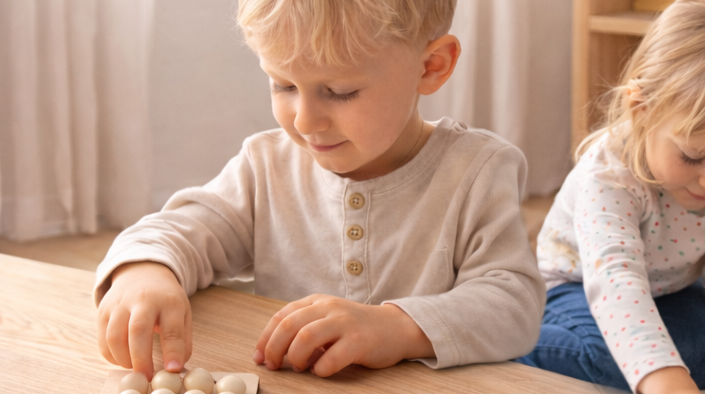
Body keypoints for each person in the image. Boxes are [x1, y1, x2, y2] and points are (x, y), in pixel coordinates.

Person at [94, 0, 545, 380]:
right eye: (283, 84)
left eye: (340, 91)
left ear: (431, 66)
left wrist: (395, 327)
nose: (305, 121)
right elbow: (177, 231)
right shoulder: (265, 165)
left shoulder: (479, 170)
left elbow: (513, 304)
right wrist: (146, 270)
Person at [516, 0, 705, 393]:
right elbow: (616, 281)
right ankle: (512, 336)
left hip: (669, 288)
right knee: (613, 357)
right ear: (641, 108)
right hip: (577, 290)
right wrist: (662, 379)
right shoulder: (608, 175)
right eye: (692, 156)